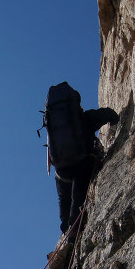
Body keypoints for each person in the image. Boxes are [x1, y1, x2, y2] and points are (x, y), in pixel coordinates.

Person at [48, 86, 118, 234]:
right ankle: (73, 236)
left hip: (61, 170)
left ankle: (66, 232)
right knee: (78, 199)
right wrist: (115, 126)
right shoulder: (85, 119)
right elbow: (109, 114)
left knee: (65, 201)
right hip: (82, 164)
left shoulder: (53, 128)